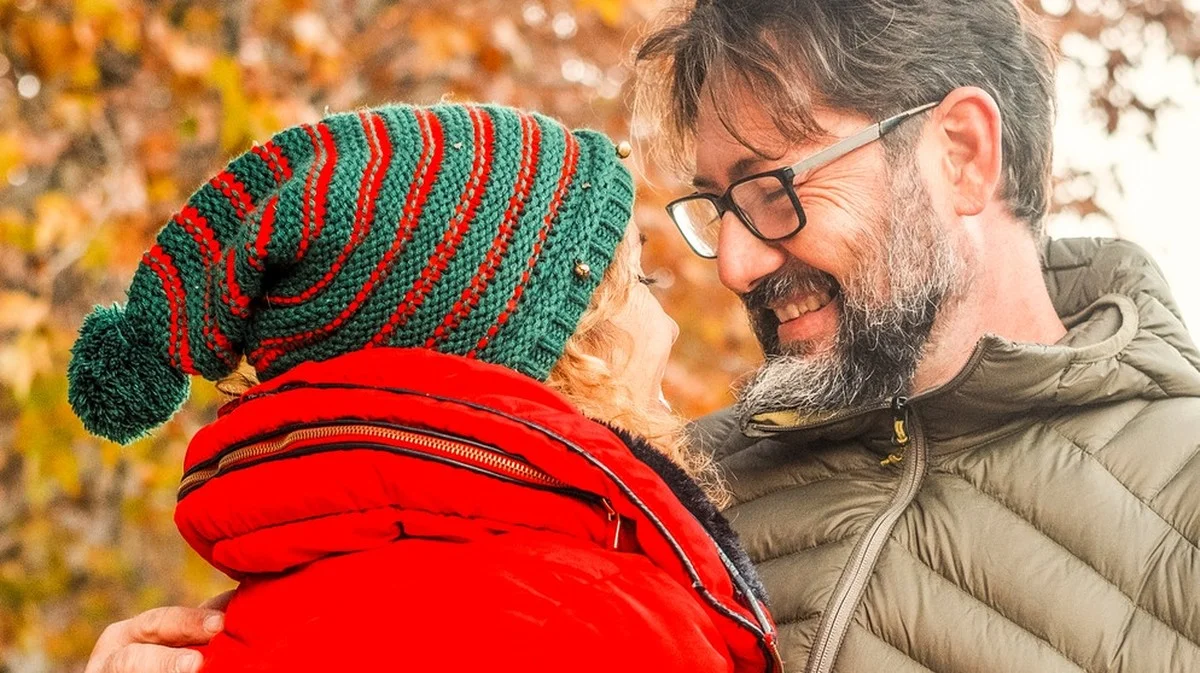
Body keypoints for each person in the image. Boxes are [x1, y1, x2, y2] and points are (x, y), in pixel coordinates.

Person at [68, 103, 780, 672]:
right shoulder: (607, 626)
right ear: (560, 359)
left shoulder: (249, 626)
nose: (670, 330)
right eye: (638, 284)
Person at [630, 0, 1200, 671]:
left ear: (962, 154)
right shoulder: (675, 491)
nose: (734, 264)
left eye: (773, 189)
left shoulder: (1184, 493)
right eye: (724, 206)